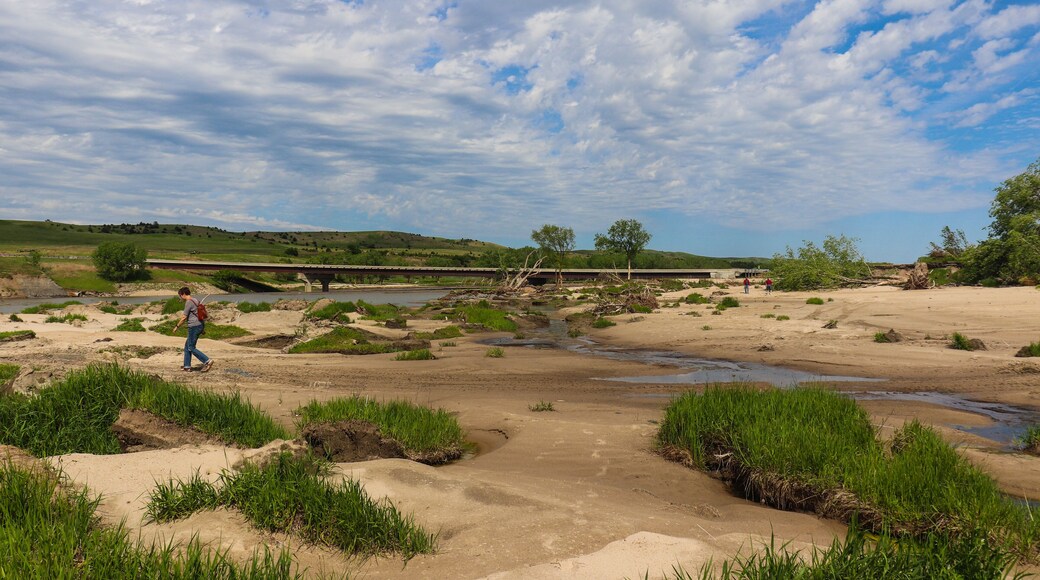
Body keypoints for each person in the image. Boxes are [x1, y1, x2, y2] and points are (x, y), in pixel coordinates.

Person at [172, 286, 213, 373]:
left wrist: (177, 326)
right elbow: (200, 315)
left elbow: (184, 317)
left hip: (194, 327)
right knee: (187, 346)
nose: (180, 298)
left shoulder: (188, 302)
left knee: (191, 347)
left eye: (180, 295)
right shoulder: (196, 300)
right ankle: (187, 366)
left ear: (183, 294)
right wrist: (202, 328)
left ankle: (207, 361)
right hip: (199, 325)